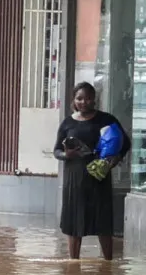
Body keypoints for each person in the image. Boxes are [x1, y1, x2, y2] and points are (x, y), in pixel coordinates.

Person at [53, 82, 128, 260]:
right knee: (74, 223)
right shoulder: (67, 123)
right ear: (74, 100)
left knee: (103, 223)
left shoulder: (106, 120)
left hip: (98, 179)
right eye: (79, 98)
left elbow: (125, 142)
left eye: (88, 98)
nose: (84, 102)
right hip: (74, 180)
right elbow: (56, 150)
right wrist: (67, 154)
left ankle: (108, 263)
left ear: (94, 99)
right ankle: (74, 263)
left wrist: (115, 159)